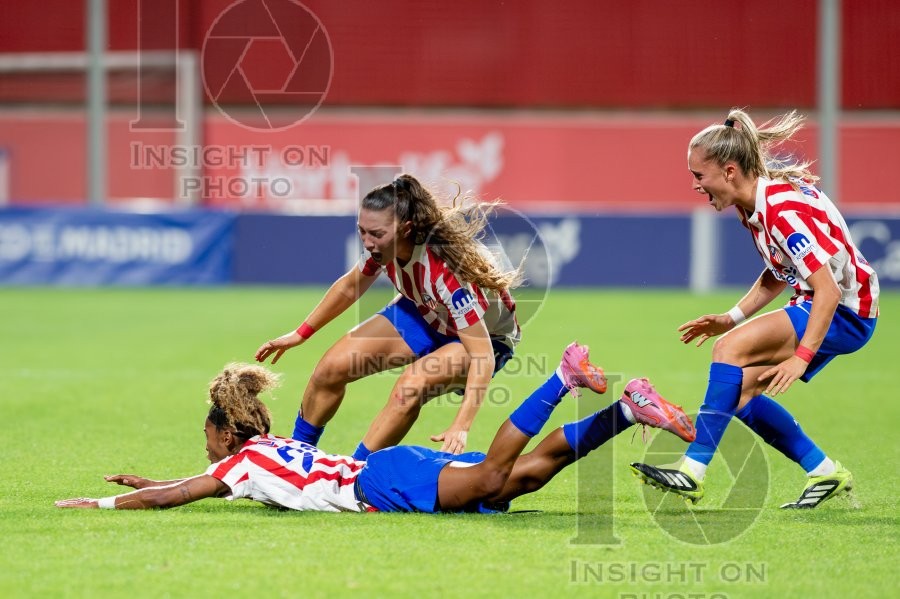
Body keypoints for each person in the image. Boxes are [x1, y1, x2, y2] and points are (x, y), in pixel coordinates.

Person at [56, 343, 696, 514]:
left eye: (206, 440)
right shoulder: (265, 453)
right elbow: (191, 481)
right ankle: (628, 410)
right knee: (516, 484)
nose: (205, 451)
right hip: (387, 470)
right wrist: (157, 478)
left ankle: (560, 377)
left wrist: (107, 501)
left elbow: (183, 494)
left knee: (496, 478)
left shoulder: (237, 467)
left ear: (225, 434)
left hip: (381, 484)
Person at [630, 108, 879, 509]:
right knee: (739, 394)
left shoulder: (780, 210)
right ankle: (824, 471)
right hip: (827, 304)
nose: (695, 186)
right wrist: (731, 317)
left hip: (845, 311)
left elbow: (828, 291)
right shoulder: (755, 206)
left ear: (729, 172)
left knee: (728, 351)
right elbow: (779, 271)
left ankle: (692, 471)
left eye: (699, 176)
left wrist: (801, 357)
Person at [254, 174, 522, 460]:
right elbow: (349, 286)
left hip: (485, 339)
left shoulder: (444, 272)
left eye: (376, 234)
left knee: (410, 386)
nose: (368, 243)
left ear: (406, 229)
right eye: (362, 232)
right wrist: (301, 333)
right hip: (425, 312)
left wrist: (461, 425)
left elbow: (482, 355)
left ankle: (355, 477)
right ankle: (296, 458)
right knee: (330, 368)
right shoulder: (383, 248)